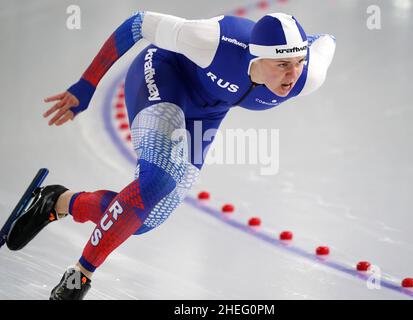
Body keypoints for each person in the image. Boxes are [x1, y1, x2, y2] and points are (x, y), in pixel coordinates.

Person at [6, 11, 336, 299]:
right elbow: (136, 24)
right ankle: (80, 277)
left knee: (143, 220)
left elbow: (327, 42)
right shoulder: (211, 41)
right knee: (158, 180)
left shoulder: (309, 75)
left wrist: (306, 45)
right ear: (257, 56)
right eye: (282, 65)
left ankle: (59, 202)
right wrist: (87, 85)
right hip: (163, 77)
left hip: (206, 113)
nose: (293, 76)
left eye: (298, 63)